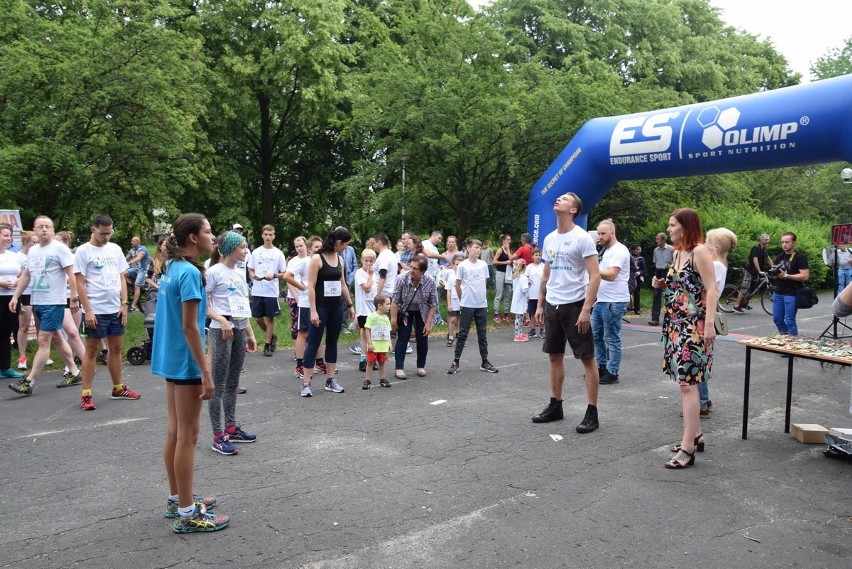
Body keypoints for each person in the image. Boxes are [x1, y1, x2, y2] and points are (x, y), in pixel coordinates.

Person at [152, 213, 228, 533]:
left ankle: (177, 499)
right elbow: (189, 327)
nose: (214, 237)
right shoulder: (190, 273)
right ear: (193, 238)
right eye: (209, 232)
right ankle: (187, 514)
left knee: (175, 432)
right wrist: (205, 370)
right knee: (189, 435)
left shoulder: (172, 267)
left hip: (171, 359)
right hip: (186, 362)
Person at [531, 192, 601, 433]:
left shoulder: (582, 238)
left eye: (564, 199)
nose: (558, 200)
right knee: (554, 356)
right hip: (553, 304)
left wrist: (586, 310)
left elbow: (595, 276)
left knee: (587, 358)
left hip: (575, 305)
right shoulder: (549, 239)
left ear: (574, 210)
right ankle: (555, 405)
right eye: (558, 198)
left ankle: (592, 413)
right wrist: (540, 304)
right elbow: (546, 275)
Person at [657, 208, 718, 469]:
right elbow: (682, 286)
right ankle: (696, 434)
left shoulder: (699, 251)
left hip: (694, 326)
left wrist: (710, 325)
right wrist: (660, 285)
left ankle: (688, 448)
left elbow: (712, 288)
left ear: (686, 226)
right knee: (684, 382)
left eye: (672, 225)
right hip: (675, 324)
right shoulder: (676, 252)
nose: (669, 229)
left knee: (688, 384)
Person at [8, 216, 82, 396]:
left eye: (47, 227)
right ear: (34, 230)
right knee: (56, 337)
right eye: (40, 227)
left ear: (53, 229)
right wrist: (16, 296)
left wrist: (73, 297)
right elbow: (26, 275)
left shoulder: (60, 249)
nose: (44, 230)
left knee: (43, 341)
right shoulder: (33, 251)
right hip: (38, 301)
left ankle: (29, 381)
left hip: (53, 301)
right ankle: (75, 371)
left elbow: (71, 274)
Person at [74, 214, 141, 410]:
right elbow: (79, 282)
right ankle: (86, 394)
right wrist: (88, 310)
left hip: (115, 308)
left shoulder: (115, 249)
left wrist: (124, 304)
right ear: (93, 230)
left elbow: (122, 278)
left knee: (117, 349)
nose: (106, 237)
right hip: (96, 309)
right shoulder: (83, 251)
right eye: (103, 233)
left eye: (109, 233)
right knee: (92, 350)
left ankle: (118, 388)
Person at [206, 231, 258, 455]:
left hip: (238, 329)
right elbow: (201, 304)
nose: (245, 250)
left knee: (232, 382)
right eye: (242, 247)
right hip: (221, 331)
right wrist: (219, 319)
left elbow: (241, 305)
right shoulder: (213, 272)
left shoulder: (238, 272)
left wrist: (250, 332)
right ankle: (218, 436)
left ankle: (231, 427)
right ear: (228, 249)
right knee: (217, 386)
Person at [300, 227, 355, 397]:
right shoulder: (317, 259)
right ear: (338, 242)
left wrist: (350, 305)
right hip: (321, 307)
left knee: (332, 342)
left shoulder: (340, 260)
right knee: (313, 342)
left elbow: (343, 284)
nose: (346, 248)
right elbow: (310, 286)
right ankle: (306, 383)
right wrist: (313, 311)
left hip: (336, 306)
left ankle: (330, 380)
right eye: (345, 244)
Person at [698, 227, 738, 418]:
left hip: (702, 314)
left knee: (697, 360)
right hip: (706, 313)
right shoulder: (720, 264)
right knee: (701, 359)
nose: (704, 244)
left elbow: (705, 289)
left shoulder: (715, 266)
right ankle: (704, 399)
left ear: (715, 246)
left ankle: (702, 401)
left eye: (707, 241)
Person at [447, 239, 498, 375]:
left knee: (482, 334)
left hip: (481, 304)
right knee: (463, 333)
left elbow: (484, 283)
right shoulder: (463, 266)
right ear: (468, 249)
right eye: (476, 247)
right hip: (468, 304)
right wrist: (462, 299)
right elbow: (458, 285)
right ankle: (456, 361)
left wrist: (483, 298)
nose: (478, 250)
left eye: (480, 248)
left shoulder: (483, 265)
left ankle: (484, 361)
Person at [591, 219, 631, 386]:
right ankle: (601, 367)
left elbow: (612, 274)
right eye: (598, 233)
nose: (599, 236)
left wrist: (592, 268)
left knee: (611, 337)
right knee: (595, 335)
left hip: (614, 300)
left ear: (612, 233)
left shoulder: (619, 250)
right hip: (602, 300)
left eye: (603, 233)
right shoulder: (605, 251)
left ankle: (612, 371)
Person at [391, 254, 438, 378]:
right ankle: (399, 368)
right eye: (410, 267)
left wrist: (428, 323)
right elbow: (395, 301)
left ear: (422, 271)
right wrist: (394, 320)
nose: (411, 270)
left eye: (415, 268)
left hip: (422, 312)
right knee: (403, 337)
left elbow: (433, 304)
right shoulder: (401, 278)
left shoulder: (430, 281)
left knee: (422, 337)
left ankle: (421, 366)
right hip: (405, 311)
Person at [248, 224, 286, 356]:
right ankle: (272, 336)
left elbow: (284, 273)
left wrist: (274, 275)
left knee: (270, 317)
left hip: (271, 291)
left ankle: (267, 344)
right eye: (266, 234)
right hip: (258, 290)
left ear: (274, 236)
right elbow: (251, 268)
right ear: (262, 236)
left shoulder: (278, 253)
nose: (268, 237)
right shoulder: (256, 252)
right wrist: (253, 276)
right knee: (257, 318)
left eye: (271, 235)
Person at [772, 232, 810, 336]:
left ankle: (792, 346)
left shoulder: (800, 257)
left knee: (790, 320)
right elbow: (775, 272)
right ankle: (785, 340)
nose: (784, 244)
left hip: (792, 293)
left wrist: (786, 276)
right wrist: (774, 275)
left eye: (787, 242)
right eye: (782, 242)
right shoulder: (780, 256)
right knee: (777, 319)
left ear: (794, 243)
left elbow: (805, 276)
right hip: (779, 291)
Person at [0, 223, 25, 379]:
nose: (9, 238)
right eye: (5, 235)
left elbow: (23, 273)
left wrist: (18, 281)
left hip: (12, 298)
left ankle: (5, 367)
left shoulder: (13, 255)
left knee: (6, 333)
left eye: (10, 235)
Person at [15, 230, 38, 371]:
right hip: (25, 293)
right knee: (24, 325)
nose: (36, 244)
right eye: (33, 242)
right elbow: (17, 274)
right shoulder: (18, 257)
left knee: (41, 327)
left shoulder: (37, 255)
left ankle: (44, 355)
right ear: (25, 242)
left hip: (38, 292)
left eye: (37, 242)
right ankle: (22, 357)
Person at [354, 248, 378, 372]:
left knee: (373, 334)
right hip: (363, 309)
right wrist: (370, 275)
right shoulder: (360, 273)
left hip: (373, 308)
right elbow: (367, 288)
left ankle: (371, 358)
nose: (369, 263)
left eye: (371, 261)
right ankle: (363, 359)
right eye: (366, 260)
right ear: (362, 260)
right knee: (365, 333)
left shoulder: (375, 273)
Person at [733, 233, 770, 312]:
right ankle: (736, 306)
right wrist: (759, 271)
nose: (768, 241)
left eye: (768, 239)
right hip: (749, 270)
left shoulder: (765, 250)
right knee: (745, 288)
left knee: (753, 289)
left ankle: (744, 303)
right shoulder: (755, 248)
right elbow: (755, 260)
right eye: (766, 240)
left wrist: (774, 267)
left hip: (756, 272)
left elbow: (768, 259)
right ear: (761, 240)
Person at [362, 294, 392, 389]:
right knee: (370, 362)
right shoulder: (371, 317)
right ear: (379, 306)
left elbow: (388, 332)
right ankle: (367, 380)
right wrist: (369, 343)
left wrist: (390, 343)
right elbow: (367, 329)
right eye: (387, 304)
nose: (389, 306)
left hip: (383, 346)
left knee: (382, 362)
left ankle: (382, 379)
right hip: (374, 345)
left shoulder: (386, 318)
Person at [648, 232, 674, 326]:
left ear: (663, 239)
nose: (656, 241)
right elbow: (655, 262)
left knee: (670, 294)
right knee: (656, 294)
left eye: (658, 239)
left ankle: (670, 318)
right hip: (658, 270)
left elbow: (675, 262)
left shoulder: (671, 249)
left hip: (668, 271)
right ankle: (655, 319)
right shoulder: (656, 250)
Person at [125, 236, 150, 312]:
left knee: (137, 286)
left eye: (133, 241)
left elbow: (138, 258)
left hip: (142, 270)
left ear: (137, 242)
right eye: (131, 241)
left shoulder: (142, 249)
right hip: (135, 269)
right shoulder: (132, 250)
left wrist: (129, 262)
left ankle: (133, 305)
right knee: (124, 273)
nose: (131, 242)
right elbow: (126, 258)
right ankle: (126, 298)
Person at [525, 248, 545, 338]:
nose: (538, 257)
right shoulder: (529, 267)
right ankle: (533, 329)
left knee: (541, 312)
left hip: (541, 294)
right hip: (532, 294)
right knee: (532, 312)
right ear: (532, 256)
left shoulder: (543, 266)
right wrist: (526, 293)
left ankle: (542, 329)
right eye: (536, 255)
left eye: (540, 255)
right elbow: (526, 280)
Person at [492, 234, 513, 322]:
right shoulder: (500, 250)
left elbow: (511, 259)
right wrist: (505, 262)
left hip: (508, 274)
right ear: (503, 240)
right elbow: (494, 262)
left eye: (510, 239)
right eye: (507, 239)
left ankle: (506, 313)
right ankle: (496, 314)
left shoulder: (509, 250)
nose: (509, 241)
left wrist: (508, 250)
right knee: (499, 293)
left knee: (507, 293)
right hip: (500, 273)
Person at [510, 259, 530, 342]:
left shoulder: (515, 276)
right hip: (521, 300)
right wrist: (528, 295)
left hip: (516, 298)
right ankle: (518, 334)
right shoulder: (523, 277)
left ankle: (518, 333)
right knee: (520, 318)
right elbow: (524, 289)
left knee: (518, 317)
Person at [444, 254, 462, 346]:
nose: (458, 266)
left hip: (462, 302)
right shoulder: (452, 277)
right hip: (454, 301)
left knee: (460, 319)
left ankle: (460, 336)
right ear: (453, 265)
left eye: (460, 264)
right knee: (453, 319)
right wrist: (449, 304)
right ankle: (450, 337)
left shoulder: (465, 277)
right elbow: (449, 291)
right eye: (456, 264)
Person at [629, 245, 646, 315]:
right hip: (629, 277)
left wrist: (640, 272)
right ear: (633, 250)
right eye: (636, 249)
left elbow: (644, 269)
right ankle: (627, 307)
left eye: (638, 249)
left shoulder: (641, 259)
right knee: (627, 293)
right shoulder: (629, 257)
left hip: (637, 278)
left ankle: (637, 309)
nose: (637, 250)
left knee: (637, 293)